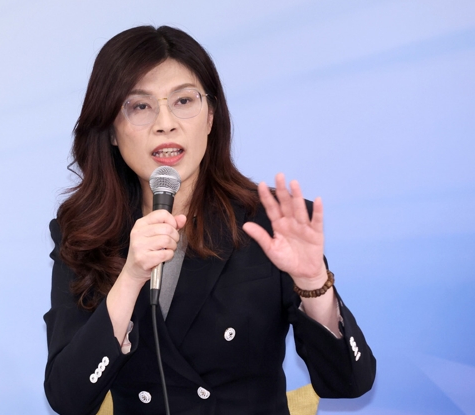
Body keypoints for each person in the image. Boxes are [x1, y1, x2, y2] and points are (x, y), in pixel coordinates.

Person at [44, 25, 376, 415]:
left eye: (184, 101)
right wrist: (131, 277)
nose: (165, 123)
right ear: (111, 131)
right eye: (140, 106)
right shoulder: (83, 231)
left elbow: (349, 383)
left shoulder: (270, 221)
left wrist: (312, 283)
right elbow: (68, 397)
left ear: (210, 117)